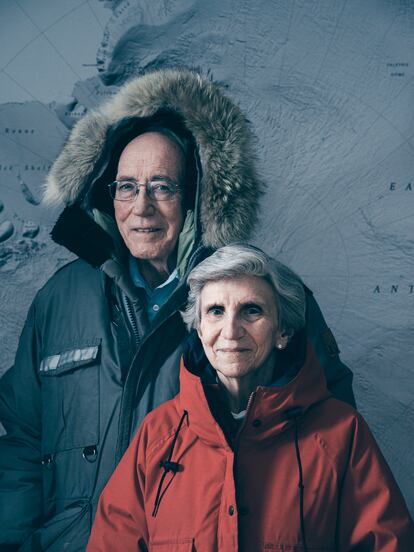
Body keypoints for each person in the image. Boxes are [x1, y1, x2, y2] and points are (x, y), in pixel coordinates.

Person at [0, 68, 354, 551]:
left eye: (162, 186)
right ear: (106, 190)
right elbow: (21, 443)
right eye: (126, 186)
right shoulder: (58, 300)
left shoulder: (263, 296)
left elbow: (330, 444)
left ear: (195, 197)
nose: (140, 207)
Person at [88, 244, 414, 552]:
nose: (231, 330)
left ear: (283, 331)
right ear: (199, 330)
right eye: (215, 311)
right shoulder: (157, 435)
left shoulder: (342, 433)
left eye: (251, 311)